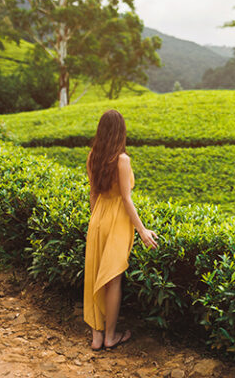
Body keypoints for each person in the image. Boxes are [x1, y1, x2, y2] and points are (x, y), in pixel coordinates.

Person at [83, 109, 158, 351]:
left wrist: (94, 223)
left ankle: (96, 337)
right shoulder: (122, 160)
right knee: (112, 280)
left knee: (95, 275)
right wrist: (143, 230)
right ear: (120, 132)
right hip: (116, 222)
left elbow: (94, 194)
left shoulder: (93, 156)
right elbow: (126, 199)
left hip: (97, 219)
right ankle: (110, 337)